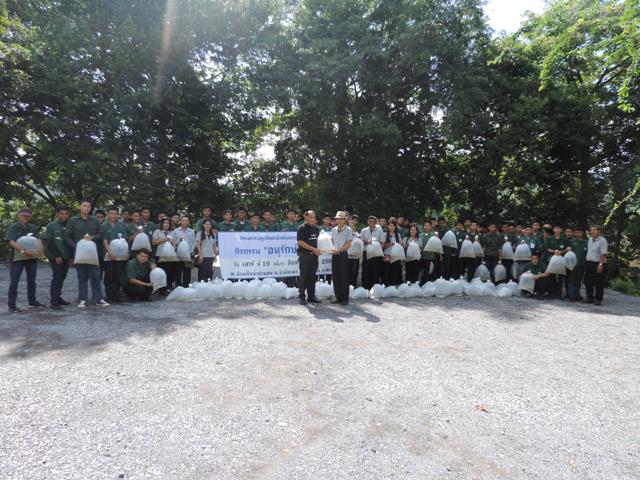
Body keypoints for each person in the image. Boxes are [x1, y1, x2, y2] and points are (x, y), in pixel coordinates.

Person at [64, 200, 109, 308]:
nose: (86, 208)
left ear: (90, 208)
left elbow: (101, 234)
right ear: (80, 207)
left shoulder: (95, 220)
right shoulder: (73, 220)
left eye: (88, 206)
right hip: (80, 254)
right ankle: (82, 299)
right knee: (82, 277)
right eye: (84, 206)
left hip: (93, 253)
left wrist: (92, 237)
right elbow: (67, 236)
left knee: (96, 276)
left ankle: (98, 299)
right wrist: (76, 247)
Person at [6, 207, 45, 312]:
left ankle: (32, 302)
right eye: (24, 215)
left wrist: (41, 252)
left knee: (32, 280)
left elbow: (38, 241)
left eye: (28, 215)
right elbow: (11, 241)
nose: (25, 217)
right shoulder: (14, 227)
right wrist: (23, 251)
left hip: (31, 257)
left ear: (30, 216)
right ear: (19, 215)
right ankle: (12, 305)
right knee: (14, 281)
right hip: (17, 258)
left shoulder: (33, 227)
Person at [44, 205, 72, 310]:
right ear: (57, 214)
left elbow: (70, 242)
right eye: (61, 213)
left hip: (66, 257)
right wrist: (56, 256)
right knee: (57, 278)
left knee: (62, 277)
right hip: (56, 257)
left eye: (66, 214)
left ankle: (58, 297)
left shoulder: (69, 225)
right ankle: (54, 301)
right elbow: (49, 242)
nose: (64, 216)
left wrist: (71, 257)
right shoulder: (51, 226)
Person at [102, 206, 129, 303]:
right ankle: (109, 295)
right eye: (111, 214)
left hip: (120, 256)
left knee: (118, 275)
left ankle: (116, 294)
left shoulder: (120, 226)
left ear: (118, 215)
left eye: (115, 214)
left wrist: (127, 253)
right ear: (108, 214)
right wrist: (110, 252)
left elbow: (125, 240)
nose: (113, 216)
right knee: (109, 275)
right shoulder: (104, 226)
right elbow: (104, 240)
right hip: (109, 255)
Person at [297, 210, 321, 305]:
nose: (312, 219)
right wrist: (313, 249)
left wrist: (320, 249)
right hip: (305, 255)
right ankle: (302, 297)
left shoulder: (316, 228)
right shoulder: (301, 228)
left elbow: (319, 242)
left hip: (314, 256)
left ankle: (311, 296)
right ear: (306, 217)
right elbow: (300, 242)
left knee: (312, 276)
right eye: (310, 217)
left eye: (314, 217)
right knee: (303, 276)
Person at [330, 211, 353, 305]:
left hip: (343, 254)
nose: (339, 220)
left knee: (344, 277)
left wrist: (339, 250)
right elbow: (331, 242)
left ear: (344, 220)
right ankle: (338, 297)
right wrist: (332, 249)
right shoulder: (334, 230)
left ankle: (345, 299)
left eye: (341, 219)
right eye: (337, 219)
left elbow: (349, 243)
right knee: (336, 276)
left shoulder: (348, 230)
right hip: (334, 254)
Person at [152, 218, 178, 294]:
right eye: (165, 223)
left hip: (170, 256)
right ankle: (161, 289)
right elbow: (153, 242)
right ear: (162, 224)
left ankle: (168, 286)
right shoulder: (157, 231)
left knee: (169, 272)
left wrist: (174, 246)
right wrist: (164, 239)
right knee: (161, 272)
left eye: (168, 223)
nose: (166, 225)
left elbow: (174, 243)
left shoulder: (172, 232)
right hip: (160, 255)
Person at [584, 225, 608, 305]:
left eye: (594, 230)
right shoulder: (590, 239)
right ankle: (589, 298)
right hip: (589, 263)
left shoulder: (602, 240)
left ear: (599, 231)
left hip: (597, 263)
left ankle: (598, 299)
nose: (592, 232)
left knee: (598, 282)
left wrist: (600, 264)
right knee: (588, 281)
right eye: (591, 230)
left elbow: (603, 254)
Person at [360, 216, 385, 289]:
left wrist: (379, 249)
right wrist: (367, 242)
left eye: (373, 221)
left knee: (375, 270)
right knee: (365, 270)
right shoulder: (364, 230)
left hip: (376, 254)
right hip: (366, 252)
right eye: (370, 221)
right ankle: (365, 287)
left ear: (376, 222)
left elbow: (382, 242)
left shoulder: (379, 231)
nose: (371, 223)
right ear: (368, 222)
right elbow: (360, 241)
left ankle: (374, 287)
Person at [544, 225, 568, 299]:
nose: (557, 230)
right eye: (556, 229)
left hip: (561, 259)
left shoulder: (565, 239)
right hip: (551, 259)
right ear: (553, 230)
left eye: (559, 229)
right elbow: (547, 248)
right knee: (551, 276)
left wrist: (560, 252)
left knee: (560, 277)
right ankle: (551, 293)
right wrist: (554, 251)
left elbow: (566, 249)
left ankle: (559, 294)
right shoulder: (550, 238)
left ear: (561, 230)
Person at [171, 215, 196, 287]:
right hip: (178, 254)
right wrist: (179, 240)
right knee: (178, 271)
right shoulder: (175, 231)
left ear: (188, 222)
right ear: (180, 222)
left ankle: (186, 286)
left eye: (186, 221)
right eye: (183, 220)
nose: (185, 222)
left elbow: (194, 242)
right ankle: (178, 286)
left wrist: (191, 251)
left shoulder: (192, 231)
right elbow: (173, 243)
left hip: (189, 254)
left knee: (187, 271)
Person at [567, 226, 588, 302]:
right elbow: (568, 252)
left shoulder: (586, 242)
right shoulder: (571, 241)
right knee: (572, 280)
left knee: (578, 281)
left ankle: (577, 295)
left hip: (582, 264)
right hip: (572, 265)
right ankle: (571, 296)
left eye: (580, 232)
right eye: (576, 232)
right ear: (574, 233)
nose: (578, 234)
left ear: (583, 233)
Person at [382, 221, 402, 286]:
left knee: (394, 273)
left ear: (395, 227)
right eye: (390, 225)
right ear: (388, 226)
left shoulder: (398, 235)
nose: (392, 227)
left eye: (393, 226)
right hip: (387, 256)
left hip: (395, 257)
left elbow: (400, 245)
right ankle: (385, 286)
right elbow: (382, 246)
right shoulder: (384, 234)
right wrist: (390, 243)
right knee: (386, 272)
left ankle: (392, 287)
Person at [347, 217, 361, 287]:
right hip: (347, 257)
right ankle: (346, 286)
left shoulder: (358, 235)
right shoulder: (345, 234)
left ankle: (353, 286)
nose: (351, 227)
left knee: (354, 272)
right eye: (350, 225)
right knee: (347, 272)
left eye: (353, 226)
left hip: (355, 257)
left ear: (355, 227)